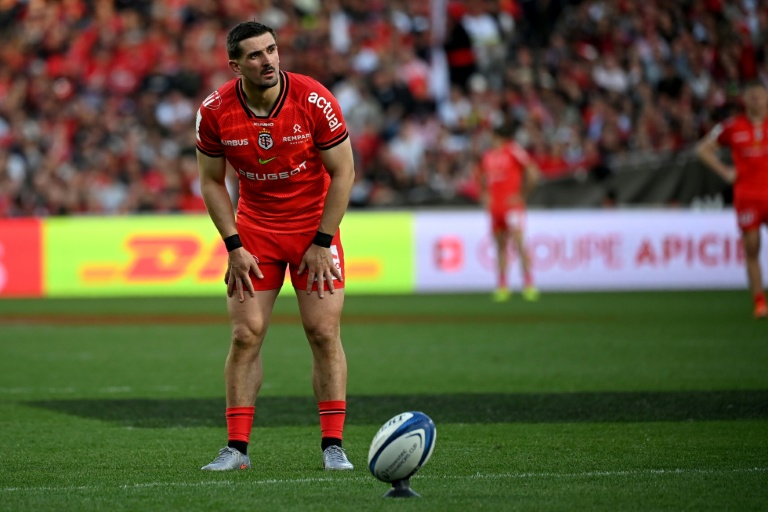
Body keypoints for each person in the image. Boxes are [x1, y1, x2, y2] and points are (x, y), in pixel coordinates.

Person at [195, 21, 356, 471]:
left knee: (323, 332)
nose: (267, 60)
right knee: (245, 334)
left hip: (313, 228)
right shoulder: (214, 111)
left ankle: (333, 447)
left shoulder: (313, 99)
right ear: (235, 65)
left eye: (271, 50)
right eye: (254, 55)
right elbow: (210, 181)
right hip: (256, 231)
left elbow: (344, 173)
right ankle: (236, 450)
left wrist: (323, 241)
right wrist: (233, 245)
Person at [696, 81, 768, 319]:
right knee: (752, 246)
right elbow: (703, 149)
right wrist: (726, 172)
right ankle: (759, 301)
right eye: (752, 96)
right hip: (747, 195)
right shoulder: (732, 126)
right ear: (745, 100)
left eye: (760, 96)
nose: (756, 100)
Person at [475, 125, 541, 302]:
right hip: (495, 208)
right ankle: (502, 286)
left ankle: (529, 284)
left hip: (512, 208)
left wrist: (522, 195)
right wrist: (484, 195)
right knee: (500, 247)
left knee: (520, 244)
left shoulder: (513, 150)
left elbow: (533, 172)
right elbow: (482, 178)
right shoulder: (487, 156)